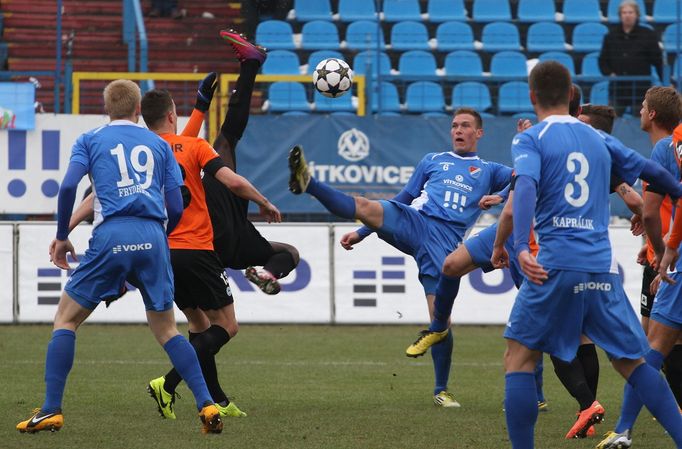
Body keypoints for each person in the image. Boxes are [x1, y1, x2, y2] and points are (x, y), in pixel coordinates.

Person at [15, 79, 223, 434]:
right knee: (168, 329)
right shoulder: (159, 145)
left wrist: (63, 236)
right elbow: (176, 203)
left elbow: (68, 187)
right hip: (153, 237)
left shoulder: (91, 140)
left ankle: (51, 409)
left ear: (106, 109)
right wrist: (159, 234)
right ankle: (206, 405)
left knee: (65, 320)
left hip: (112, 234)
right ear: (138, 109)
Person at [494, 60, 682, 449]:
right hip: (600, 267)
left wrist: (517, 248)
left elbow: (525, 186)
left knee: (519, 359)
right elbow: (655, 173)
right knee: (632, 361)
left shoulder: (531, 138)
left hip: (554, 265)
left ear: (533, 98)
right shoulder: (599, 138)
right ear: (571, 98)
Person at [288, 108, 513, 407]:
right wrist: (362, 232)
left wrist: (501, 196)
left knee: (440, 320)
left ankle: (440, 390)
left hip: (445, 243)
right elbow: (403, 198)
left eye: (466, 126)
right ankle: (309, 183)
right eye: (455, 125)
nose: (458, 130)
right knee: (367, 206)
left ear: (479, 133)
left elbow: (525, 181)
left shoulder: (489, 170)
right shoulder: (432, 160)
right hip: (415, 221)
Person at [141, 87, 281, 420]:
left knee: (199, 324)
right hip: (197, 249)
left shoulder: (144, 152)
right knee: (227, 326)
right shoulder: (194, 146)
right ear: (173, 115)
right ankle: (168, 382)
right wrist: (264, 201)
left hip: (163, 253)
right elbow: (232, 182)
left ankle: (215, 398)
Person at [598, 86, 682, 449]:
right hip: (664, 251)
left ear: (653, 115)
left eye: (644, 107)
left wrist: (663, 251)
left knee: (653, 346)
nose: (641, 111)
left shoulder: (664, 150)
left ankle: (623, 428)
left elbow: (649, 211)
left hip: (671, 258)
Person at [199, 30, 300, 295]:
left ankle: (251, 63)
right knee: (291, 252)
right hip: (235, 241)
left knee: (227, 140)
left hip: (206, 243)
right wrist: (263, 202)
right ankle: (268, 273)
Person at [598, 0, 663, 116]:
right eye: (624, 12)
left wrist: (665, 81)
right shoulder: (610, 36)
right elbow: (602, 60)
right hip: (617, 89)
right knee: (612, 122)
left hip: (640, 90)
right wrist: (609, 73)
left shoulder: (648, 34)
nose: (627, 15)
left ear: (637, 14)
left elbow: (658, 60)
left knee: (641, 124)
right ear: (620, 15)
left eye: (630, 12)